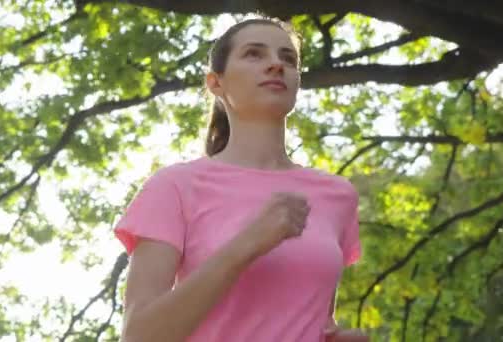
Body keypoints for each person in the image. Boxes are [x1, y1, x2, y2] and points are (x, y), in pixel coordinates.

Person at [113, 17, 368, 342]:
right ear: (216, 83)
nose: (276, 64)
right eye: (254, 54)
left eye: (288, 59)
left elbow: (315, 321)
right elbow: (139, 337)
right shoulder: (174, 187)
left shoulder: (337, 195)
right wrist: (249, 243)